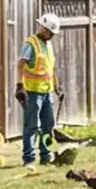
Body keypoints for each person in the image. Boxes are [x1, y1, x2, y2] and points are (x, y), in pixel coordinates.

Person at [19, 14, 61, 164]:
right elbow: (20, 65)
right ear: (43, 28)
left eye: (52, 34)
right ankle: (29, 158)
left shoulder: (48, 45)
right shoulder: (31, 44)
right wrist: (20, 86)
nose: (51, 36)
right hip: (32, 92)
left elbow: (51, 68)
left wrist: (57, 87)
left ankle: (46, 155)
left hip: (47, 92)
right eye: (49, 32)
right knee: (31, 126)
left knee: (48, 125)